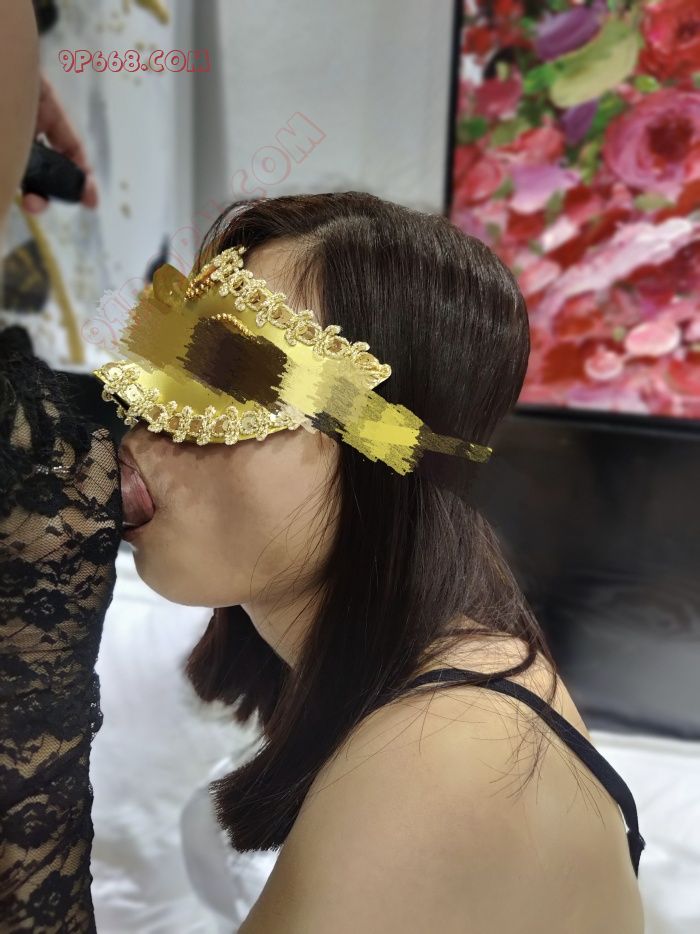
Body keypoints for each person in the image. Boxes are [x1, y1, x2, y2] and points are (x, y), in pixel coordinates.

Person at [1, 4, 645, 933]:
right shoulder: (459, 678)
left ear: (387, 444)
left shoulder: (447, 759)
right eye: (154, 352)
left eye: (218, 372)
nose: (135, 416)